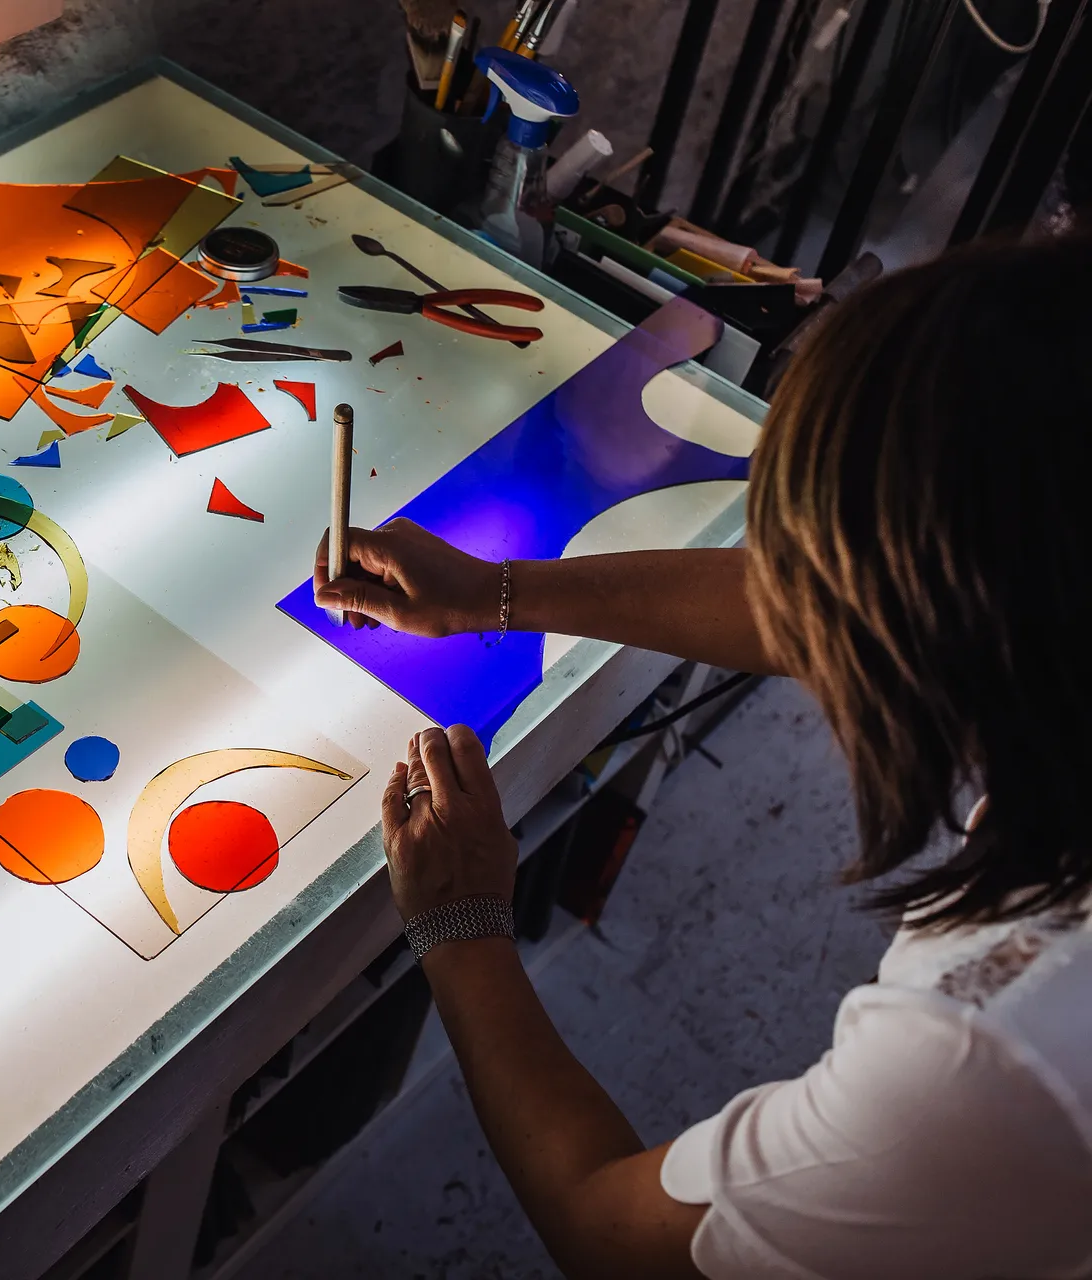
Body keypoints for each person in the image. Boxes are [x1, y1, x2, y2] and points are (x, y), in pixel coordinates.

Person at [309, 236, 1092, 1280]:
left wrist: (461, 920)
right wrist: (496, 592)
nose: (798, 598)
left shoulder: (986, 1056)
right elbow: (829, 597)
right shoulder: (1055, 617)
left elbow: (610, 1232)